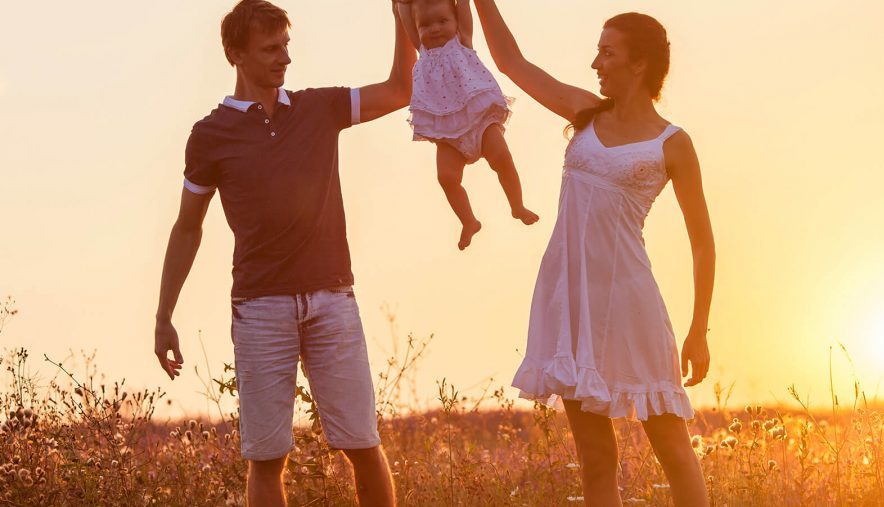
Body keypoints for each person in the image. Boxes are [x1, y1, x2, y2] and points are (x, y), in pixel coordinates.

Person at [152, 1, 415, 505]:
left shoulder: (320, 108)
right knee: (267, 457)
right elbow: (188, 229)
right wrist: (164, 315)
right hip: (260, 309)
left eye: (287, 46)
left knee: (363, 443)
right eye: (271, 49)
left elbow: (400, 89)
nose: (285, 58)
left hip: (333, 299)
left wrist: (400, 14)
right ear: (235, 54)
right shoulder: (209, 136)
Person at [472, 1, 716, 505]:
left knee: (672, 450)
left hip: (632, 307)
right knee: (597, 460)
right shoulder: (584, 114)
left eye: (607, 52)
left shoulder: (672, 144)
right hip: (572, 302)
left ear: (639, 63)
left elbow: (702, 242)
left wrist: (697, 330)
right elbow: (511, 63)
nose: (596, 63)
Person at [396, 0, 538, 250]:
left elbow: (463, 6)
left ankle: (517, 206)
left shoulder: (461, 39)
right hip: (446, 132)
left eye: (442, 21)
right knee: (447, 178)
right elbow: (405, 12)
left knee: (502, 158)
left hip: (479, 119)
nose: (435, 28)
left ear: (455, 22)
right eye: (426, 25)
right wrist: (401, 5)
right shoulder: (423, 50)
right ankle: (469, 220)